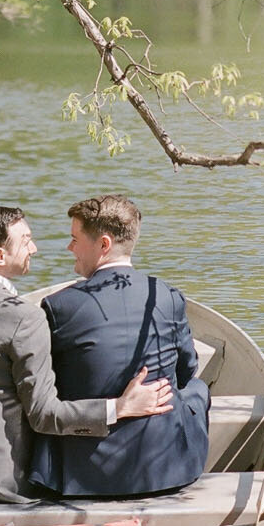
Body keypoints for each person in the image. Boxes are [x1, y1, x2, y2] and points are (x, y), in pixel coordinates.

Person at [0, 203, 174, 505]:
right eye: (26, 240)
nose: (35, 248)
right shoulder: (24, 318)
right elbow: (44, 416)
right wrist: (118, 408)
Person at [28, 194, 211, 501]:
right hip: (167, 472)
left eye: (74, 239)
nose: (69, 248)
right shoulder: (166, 296)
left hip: (82, 477)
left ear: (103, 244)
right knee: (198, 388)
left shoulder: (59, 307)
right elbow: (186, 370)